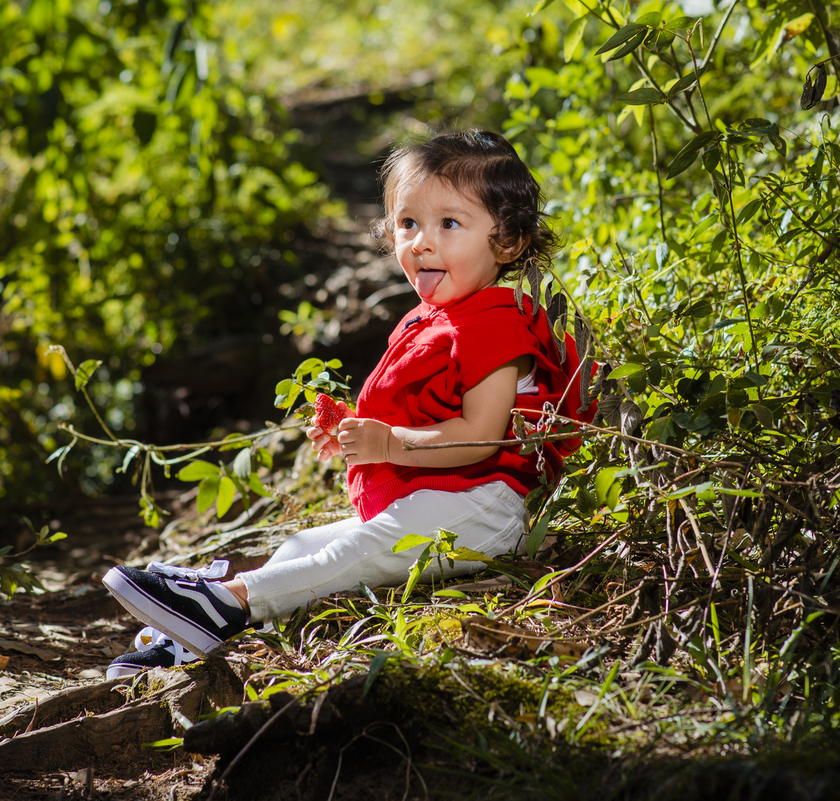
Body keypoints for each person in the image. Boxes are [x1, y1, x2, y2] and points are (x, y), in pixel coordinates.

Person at [102, 129, 592, 669]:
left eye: (448, 224)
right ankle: (195, 633)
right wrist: (356, 431)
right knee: (304, 549)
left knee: (353, 552)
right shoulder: (436, 319)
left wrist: (386, 442)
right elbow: (428, 410)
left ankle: (222, 605)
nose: (421, 242)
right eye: (408, 223)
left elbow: (479, 436)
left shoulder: (494, 327)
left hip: (482, 509)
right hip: (444, 497)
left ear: (508, 242)